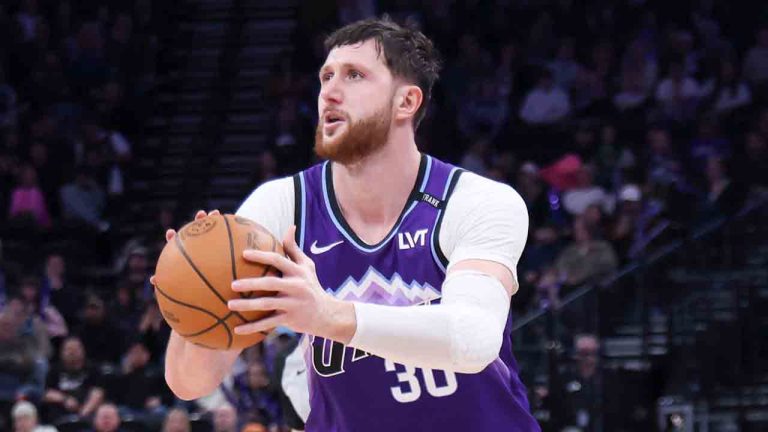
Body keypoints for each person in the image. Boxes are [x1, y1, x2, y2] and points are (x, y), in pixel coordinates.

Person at [159, 17, 538, 431]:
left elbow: (474, 339)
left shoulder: (474, 201)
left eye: (354, 76)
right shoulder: (283, 206)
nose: (330, 93)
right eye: (326, 77)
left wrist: (328, 315)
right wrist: (194, 286)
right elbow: (190, 382)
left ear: (406, 102)